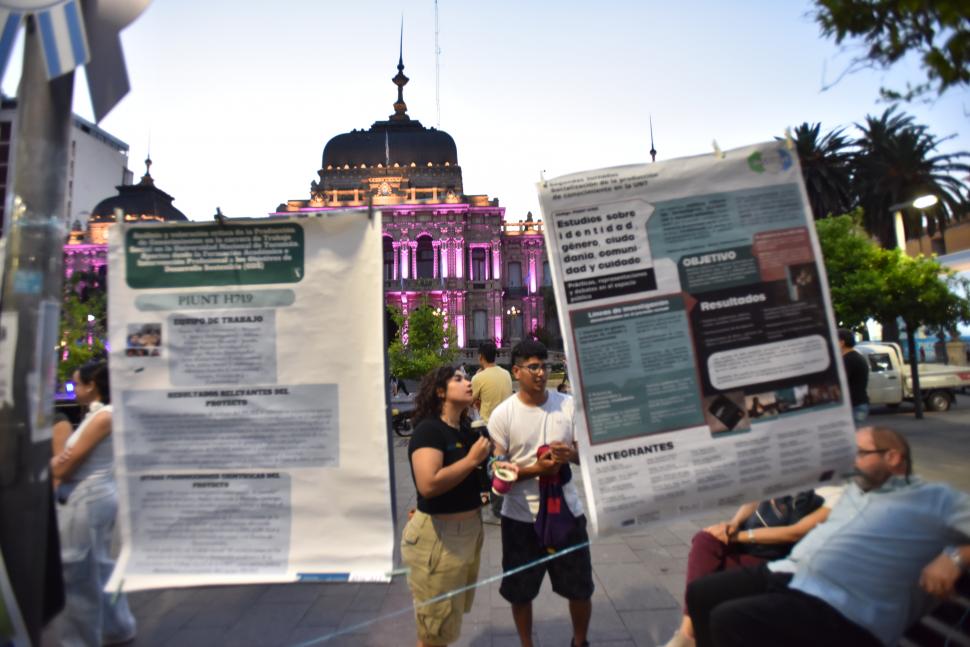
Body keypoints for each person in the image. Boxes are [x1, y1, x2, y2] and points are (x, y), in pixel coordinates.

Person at [686, 426, 970, 647]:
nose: (851, 461)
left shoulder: (933, 499)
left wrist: (956, 557)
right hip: (793, 571)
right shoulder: (856, 491)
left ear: (892, 457)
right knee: (701, 593)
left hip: (840, 601)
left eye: (859, 453)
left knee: (729, 619)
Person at [488, 339, 593, 647]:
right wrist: (536, 469)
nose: (541, 373)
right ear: (516, 371)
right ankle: (526, 643)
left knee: (580, 588)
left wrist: (569, 455)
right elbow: (497, 473)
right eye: (533, 367)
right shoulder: (503, 415)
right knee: (520, 592)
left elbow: (586, 455)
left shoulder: (567, 405)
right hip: (521, 517)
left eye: (544, 366)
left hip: (567, 512)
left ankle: (580, 641)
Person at [663, 486, 842, 647]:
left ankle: (687, 636)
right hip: (748, 543)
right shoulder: (797, 469)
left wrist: (737, 536)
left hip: (775, 558)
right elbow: (758, 494)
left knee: (708, 580)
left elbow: (794, 533)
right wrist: (733, 523)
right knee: (705, 539)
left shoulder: (838, 491)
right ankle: (689, 632)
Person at [401, 365, 497, 647]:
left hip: (469, 534)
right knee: (434, 631)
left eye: (467, 377)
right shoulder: (429, 431)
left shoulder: (466, 430)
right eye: (458, 379)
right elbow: (428, 484)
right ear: (440, 392)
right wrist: (471, 460)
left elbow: (477, 474)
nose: (468, 382)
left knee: (446, 621)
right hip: (438, 539)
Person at [49, 360, 136, 647]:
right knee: (98, 566)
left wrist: (52, 463)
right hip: (95, 495)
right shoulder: (102, 415)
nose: (73, 389)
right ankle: (118, 627)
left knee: (76, 572)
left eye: (77, 384)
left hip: (86, 498)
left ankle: (80, 640)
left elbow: (66, 466)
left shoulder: (102, 417)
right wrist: (60, 461)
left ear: (92, 386)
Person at [472, 341, 514, 519]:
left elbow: (470, 399)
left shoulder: (479, 378)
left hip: (489, 428)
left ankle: (497, 510)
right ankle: (506, 504)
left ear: (481, 357)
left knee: (490, 468)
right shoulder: (506, 374)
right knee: (503, 465)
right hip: (508, 426)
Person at [838, 328, 869, 423]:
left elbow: (841, 381)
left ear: (842, 342)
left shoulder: (848, 360)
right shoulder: (856, 357)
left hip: (854, 405)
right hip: (859, 402)